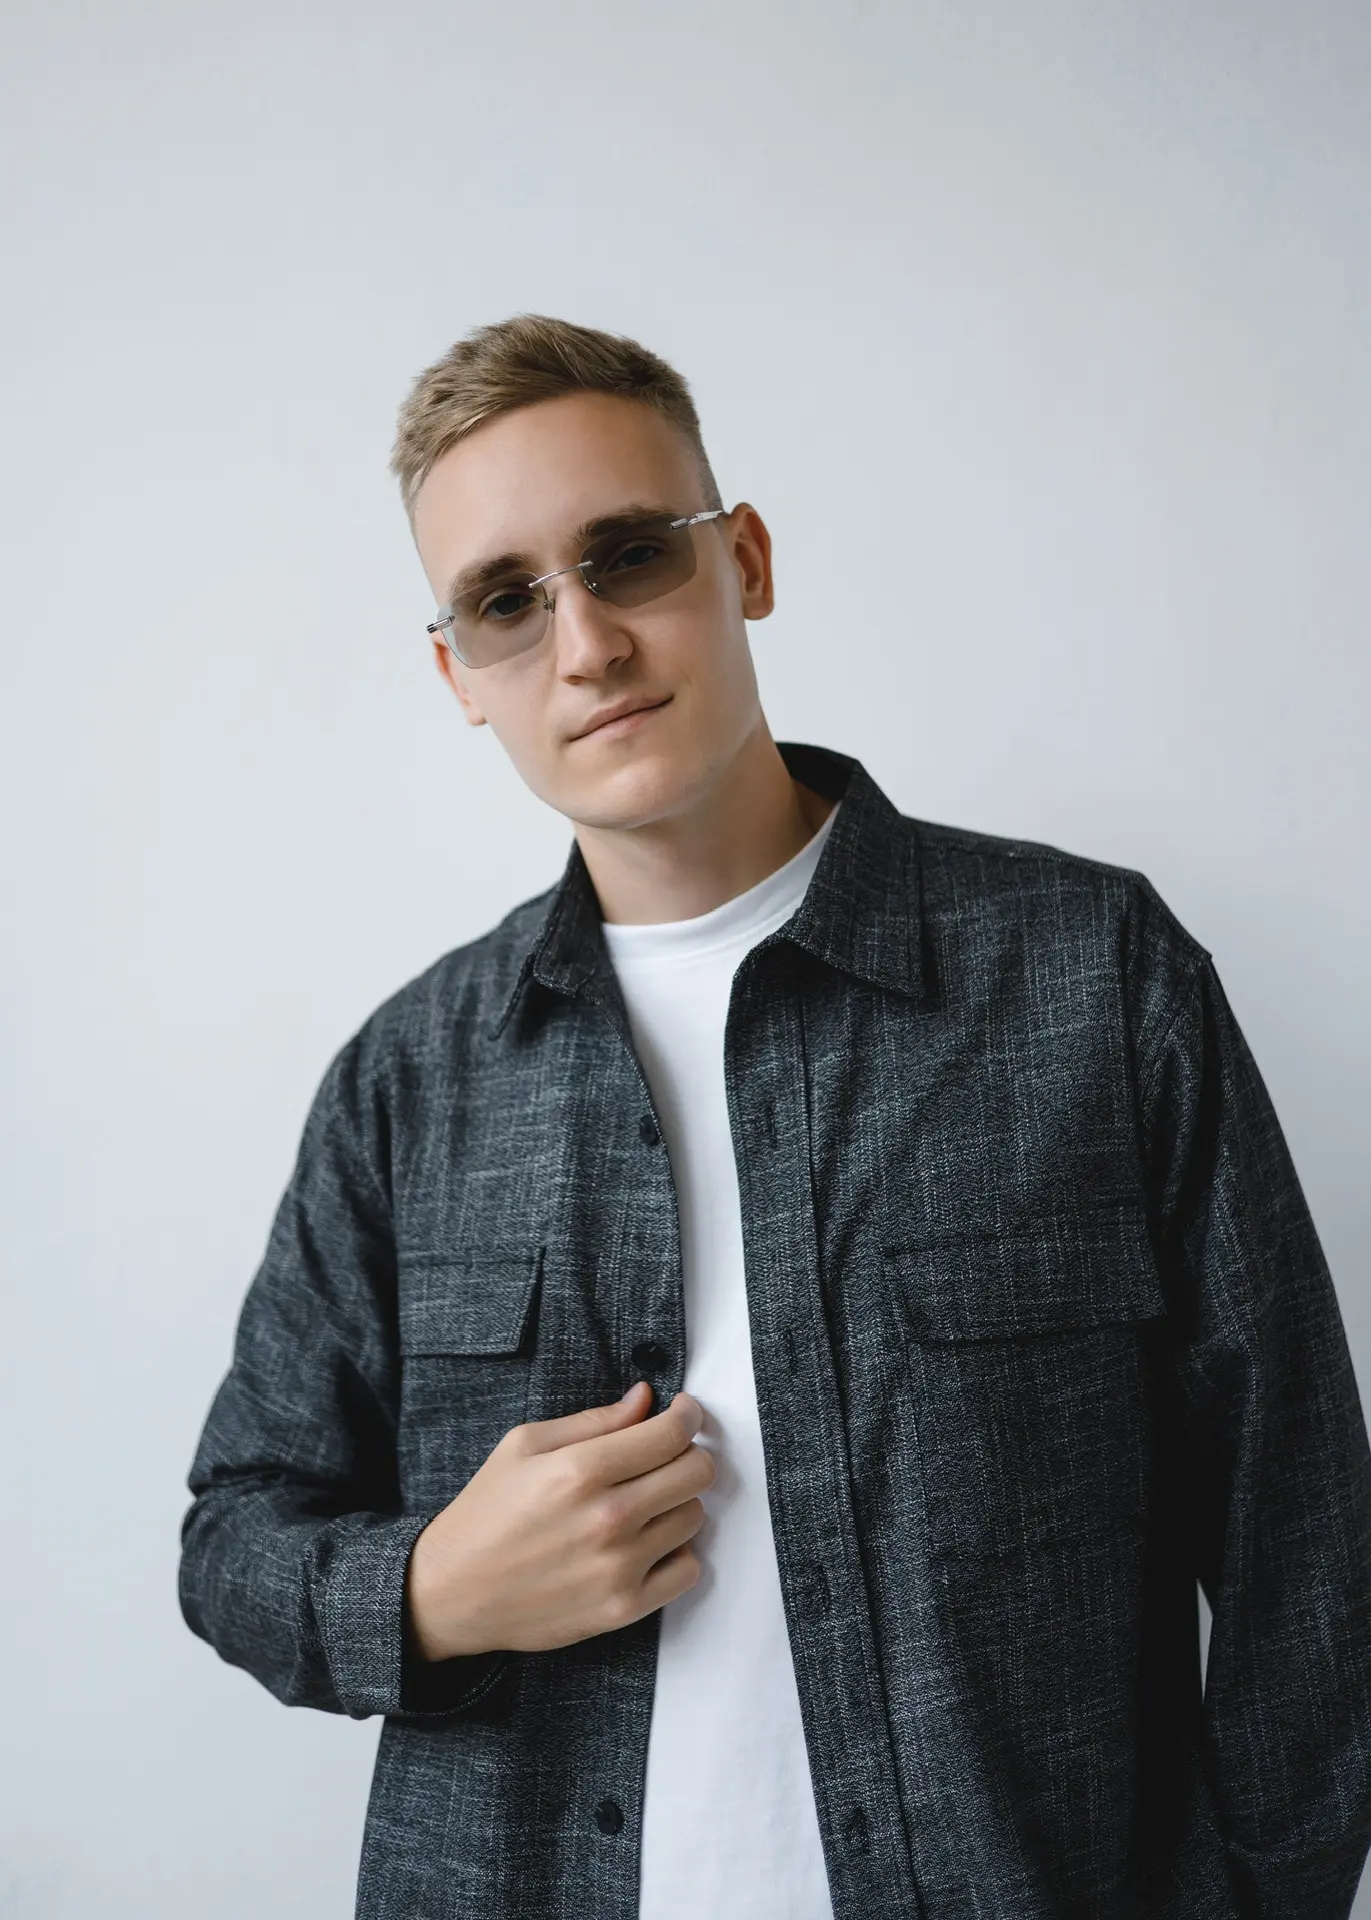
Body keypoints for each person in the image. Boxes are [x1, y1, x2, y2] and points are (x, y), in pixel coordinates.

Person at [178, 314, 1371, 1920]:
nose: (585, 645)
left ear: (741, 559)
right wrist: (431, 1591)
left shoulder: (1091, 976)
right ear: (457, 673)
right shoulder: (410, 1081)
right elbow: (235, 1537)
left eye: (628, 556)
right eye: (506, 602)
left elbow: (1308, 1541)